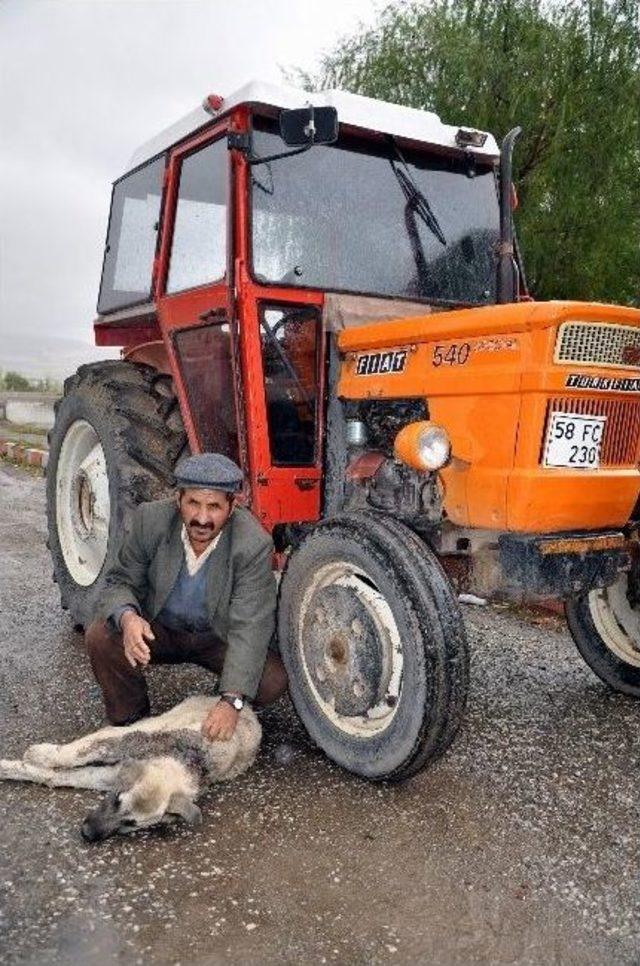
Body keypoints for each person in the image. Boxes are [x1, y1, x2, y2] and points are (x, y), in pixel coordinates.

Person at [85, 453, 287, 741]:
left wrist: (232, 701)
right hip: (160, 630)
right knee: (101, 637)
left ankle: (222, 707)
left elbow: (251, 625)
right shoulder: (150, 520)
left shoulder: (253, 544)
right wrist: (129, 618)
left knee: (272, 680)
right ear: (178, 499)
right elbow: (120, 581)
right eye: (194, 503)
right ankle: (131, 725)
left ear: (232, 507)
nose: (202, 518)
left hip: (216, 636)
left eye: (214, 506)